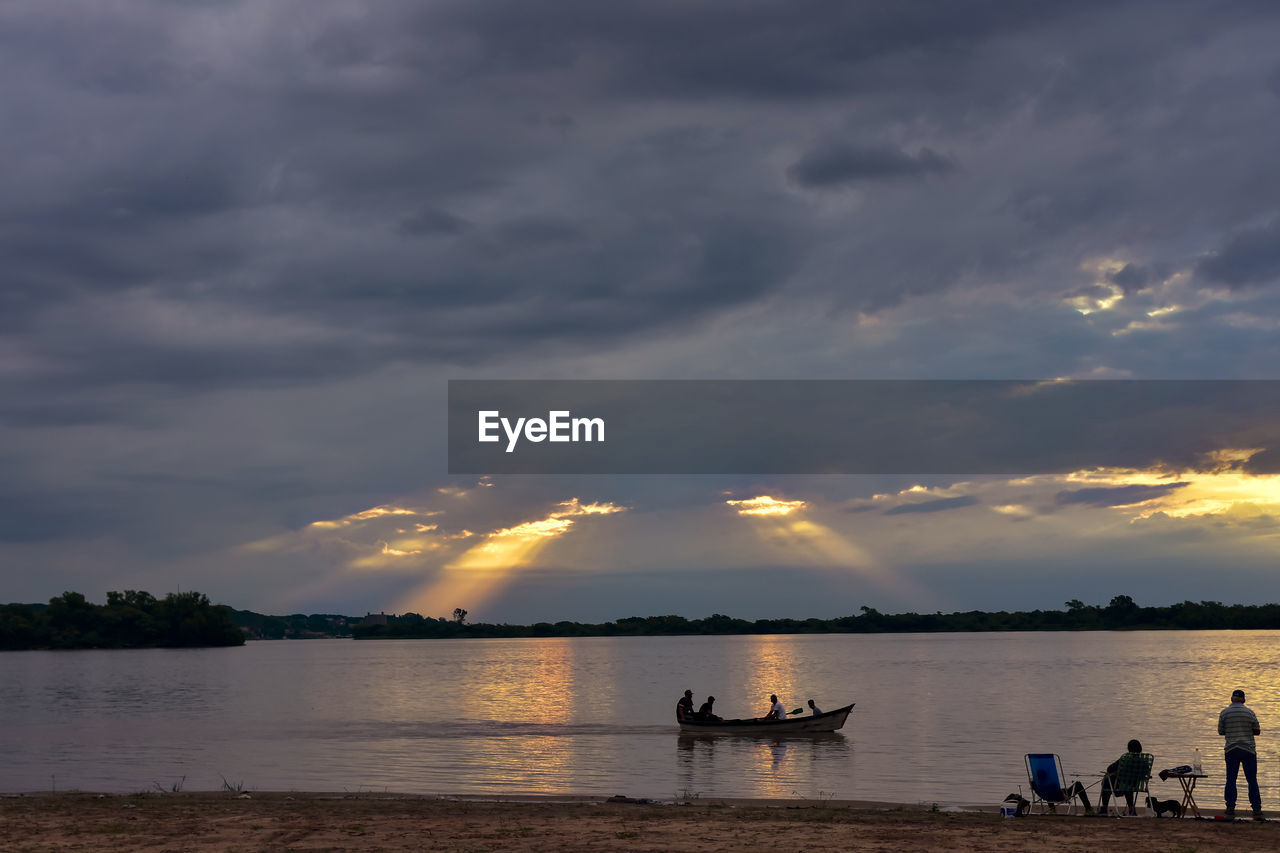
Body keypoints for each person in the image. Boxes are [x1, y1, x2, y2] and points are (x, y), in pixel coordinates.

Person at [1219, 688, 1263, 819]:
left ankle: (1230, 807)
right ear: (1244, 700)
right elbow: (1257, 731)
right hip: (1248, 749)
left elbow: (1221, 731)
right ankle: (1256, 809)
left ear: (1231, 698)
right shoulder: (1250, 712)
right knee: (1252, 780)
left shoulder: (1224, 713)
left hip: (1231, 750)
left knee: (1231, 779)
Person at [1097, 739, 1149, 816]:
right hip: (1135, 785)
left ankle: (1104, 809)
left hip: (1120, 785)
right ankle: (1131, 809)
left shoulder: (1125, 758)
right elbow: (1146, 772)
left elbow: (1110, 769)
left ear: (1128, 748)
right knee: (1129, 783)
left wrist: (1116, 773)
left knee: (1106, 781)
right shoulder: (1144, 761)